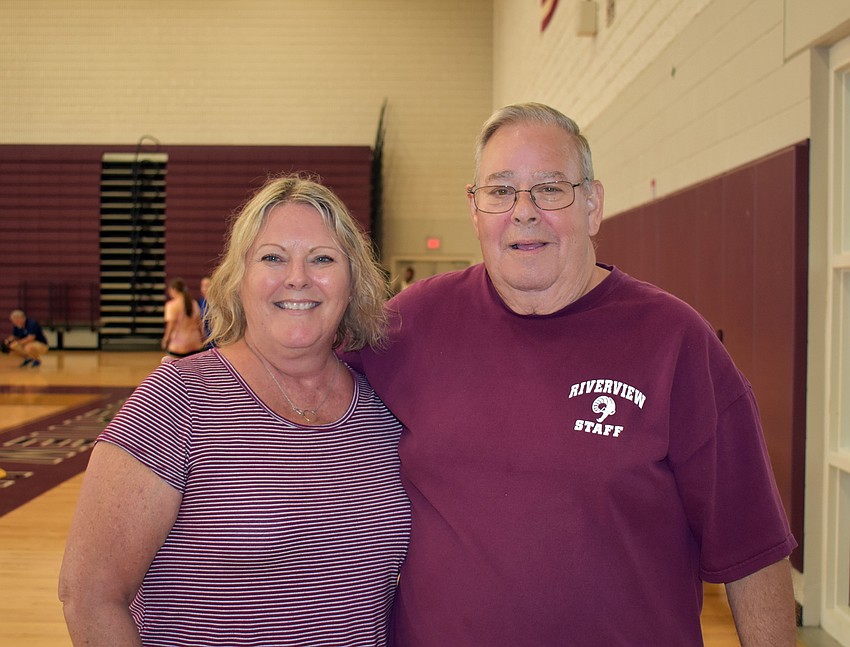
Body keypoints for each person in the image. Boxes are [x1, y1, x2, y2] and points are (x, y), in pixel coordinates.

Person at [347, 103, 797, 646]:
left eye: (550, 188)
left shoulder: (675, 342)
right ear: (475, 210)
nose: (524, 211)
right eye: (500, 190)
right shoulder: (411, 323)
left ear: (592, 204)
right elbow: (299, 388)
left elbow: (754, 550)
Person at [59, 175, 411, 646]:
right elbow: (89, 593)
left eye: (322, 258)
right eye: (272, 257)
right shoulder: (177, 399)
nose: (298, 277)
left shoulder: (383, 408)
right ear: (238, 279)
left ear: (354, 280)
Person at [161, 277, 204, 357]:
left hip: (178, 345)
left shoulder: (171, 305)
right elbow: (200, 323)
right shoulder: (193, 303)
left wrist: (166, 339)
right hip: (195, 343)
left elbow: (171, 325)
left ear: (174, 290)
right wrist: (203, 337)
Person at [197, 275, 215, 348]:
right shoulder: (200, 303)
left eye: (207, 286)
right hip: (206, 342)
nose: (204, 289)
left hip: (217, 342)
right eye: (203, 286)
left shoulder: (218, 303)